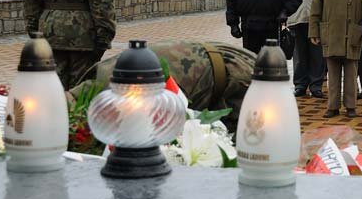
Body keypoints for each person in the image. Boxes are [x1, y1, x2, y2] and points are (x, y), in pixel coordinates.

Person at [71, 40, 255, 133]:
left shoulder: (115, 96)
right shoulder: (99, 79)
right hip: (210, 67)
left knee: (254, 145)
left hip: (235, 74)